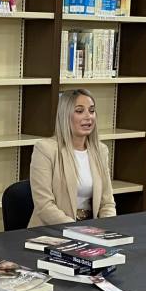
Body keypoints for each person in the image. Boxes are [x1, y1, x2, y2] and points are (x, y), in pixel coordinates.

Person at [29, 88, 117, 226]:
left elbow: (107, 203)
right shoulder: (45, 149)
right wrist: (76, 229)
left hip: (91, 228)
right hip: (54, 228)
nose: (88, 117)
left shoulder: (101, 151)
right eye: (79, 111)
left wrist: (107, 226)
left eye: (92, 111)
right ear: (65, 115)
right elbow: (44, 206)